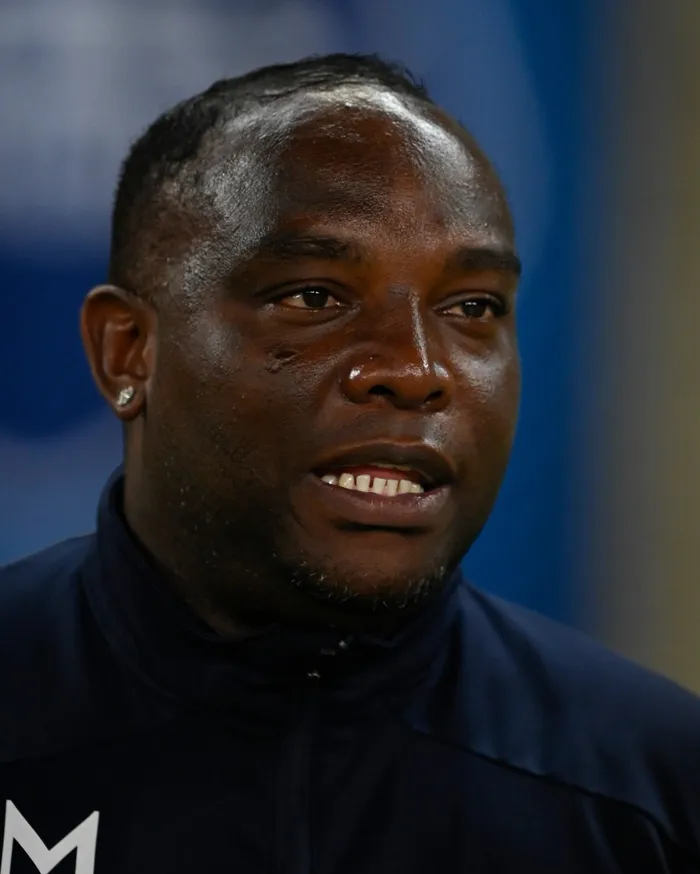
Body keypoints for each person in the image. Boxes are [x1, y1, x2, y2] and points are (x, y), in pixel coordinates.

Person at [0, 53, 698, 874]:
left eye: (471, 307)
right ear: (128, 352)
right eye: (314, 297)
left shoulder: (658, 789)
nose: (415, 369)